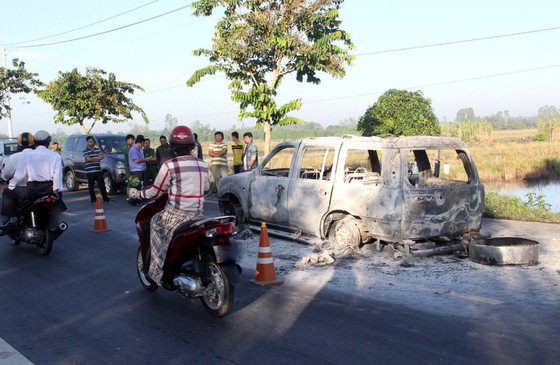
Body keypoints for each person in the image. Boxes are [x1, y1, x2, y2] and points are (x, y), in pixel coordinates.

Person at [128, 125, 210, 285]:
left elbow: (155, 192)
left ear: (172, 146)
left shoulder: (170, 165)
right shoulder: (202, 165)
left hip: (176, 215)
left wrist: (137, 194)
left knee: (155, 223)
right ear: (192, 145)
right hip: (197, 215)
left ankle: (156, 273)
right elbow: (206, 189)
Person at [0, 130, 63, 230]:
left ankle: (13, 221)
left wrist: (11, 186)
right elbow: (58, 175)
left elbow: (19, 175)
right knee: (58, 200)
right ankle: (55, 221)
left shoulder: (27, 156)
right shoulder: (55, 156)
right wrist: (56, 189)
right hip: (49, 188)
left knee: (7, 193)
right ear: (48, 142)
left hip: (32, 188)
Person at [0, 132, 34, 225]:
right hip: (44, 187)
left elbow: (6, 175)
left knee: (6, 192)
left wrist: (4, 179)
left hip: (24, 189)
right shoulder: (41, 155)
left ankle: (12, 218)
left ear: (19, 144)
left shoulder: (15, 158)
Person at [83, 136, 111, 204]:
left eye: (92, 141)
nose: (91, 143)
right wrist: (97, 158)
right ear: (87, 142)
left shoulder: (97, 150)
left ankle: (106, 198)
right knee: (91, 186)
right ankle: (93, 200)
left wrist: (92, 158)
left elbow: (102, 157)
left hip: (98, 170)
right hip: (90, 171)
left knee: (102, 185)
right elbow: (88, 159)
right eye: (89, 142)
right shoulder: (85, 151)